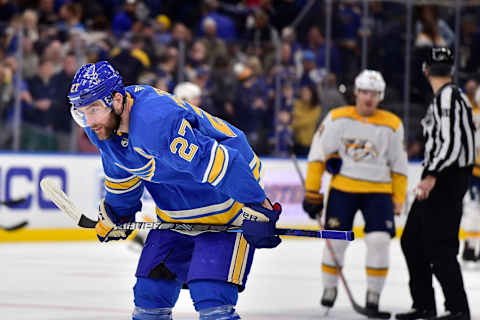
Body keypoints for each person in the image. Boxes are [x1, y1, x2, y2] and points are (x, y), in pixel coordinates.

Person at [67, 61, 283, 320]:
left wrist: (258, 205)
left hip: (225, 200)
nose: (89, 122)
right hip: (174, 212)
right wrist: (117, 214)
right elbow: (122, 176)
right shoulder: (102, 128)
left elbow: (225, 164)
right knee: (150, 297)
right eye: (81, 112)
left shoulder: (155, 123)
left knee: (212, 298)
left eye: (93, 109)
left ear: (116, 99)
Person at [302, 69, 408, 316]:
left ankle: (373, 296)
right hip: (343, 189)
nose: (368, 98)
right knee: (335, 242)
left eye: (374, 93)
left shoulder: (392, 124)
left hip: (379, 191)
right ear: (356, 93)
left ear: (380, 96)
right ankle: (329, 289)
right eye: (364, 92)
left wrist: (399, 198)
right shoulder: (337, 118)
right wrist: (312, 192)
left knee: (379, 241)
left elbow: (400, 167)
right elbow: (318, 156)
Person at [396, 47, 475, 320]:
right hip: (441, 176)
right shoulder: (447, 97)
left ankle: (457, 309)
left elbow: (452, 145)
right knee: (413, 241)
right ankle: (425, 305)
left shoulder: (449, 97)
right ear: (450, 70)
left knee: (439, 246)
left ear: (425, 70)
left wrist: (431, 175)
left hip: (445, 178)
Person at [462, 86, 480, 264]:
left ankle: (470, 246)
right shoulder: (471, 115)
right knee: (473, 210)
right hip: (474, 171)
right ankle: (470, 246)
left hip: (473, 170)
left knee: (474, 210)